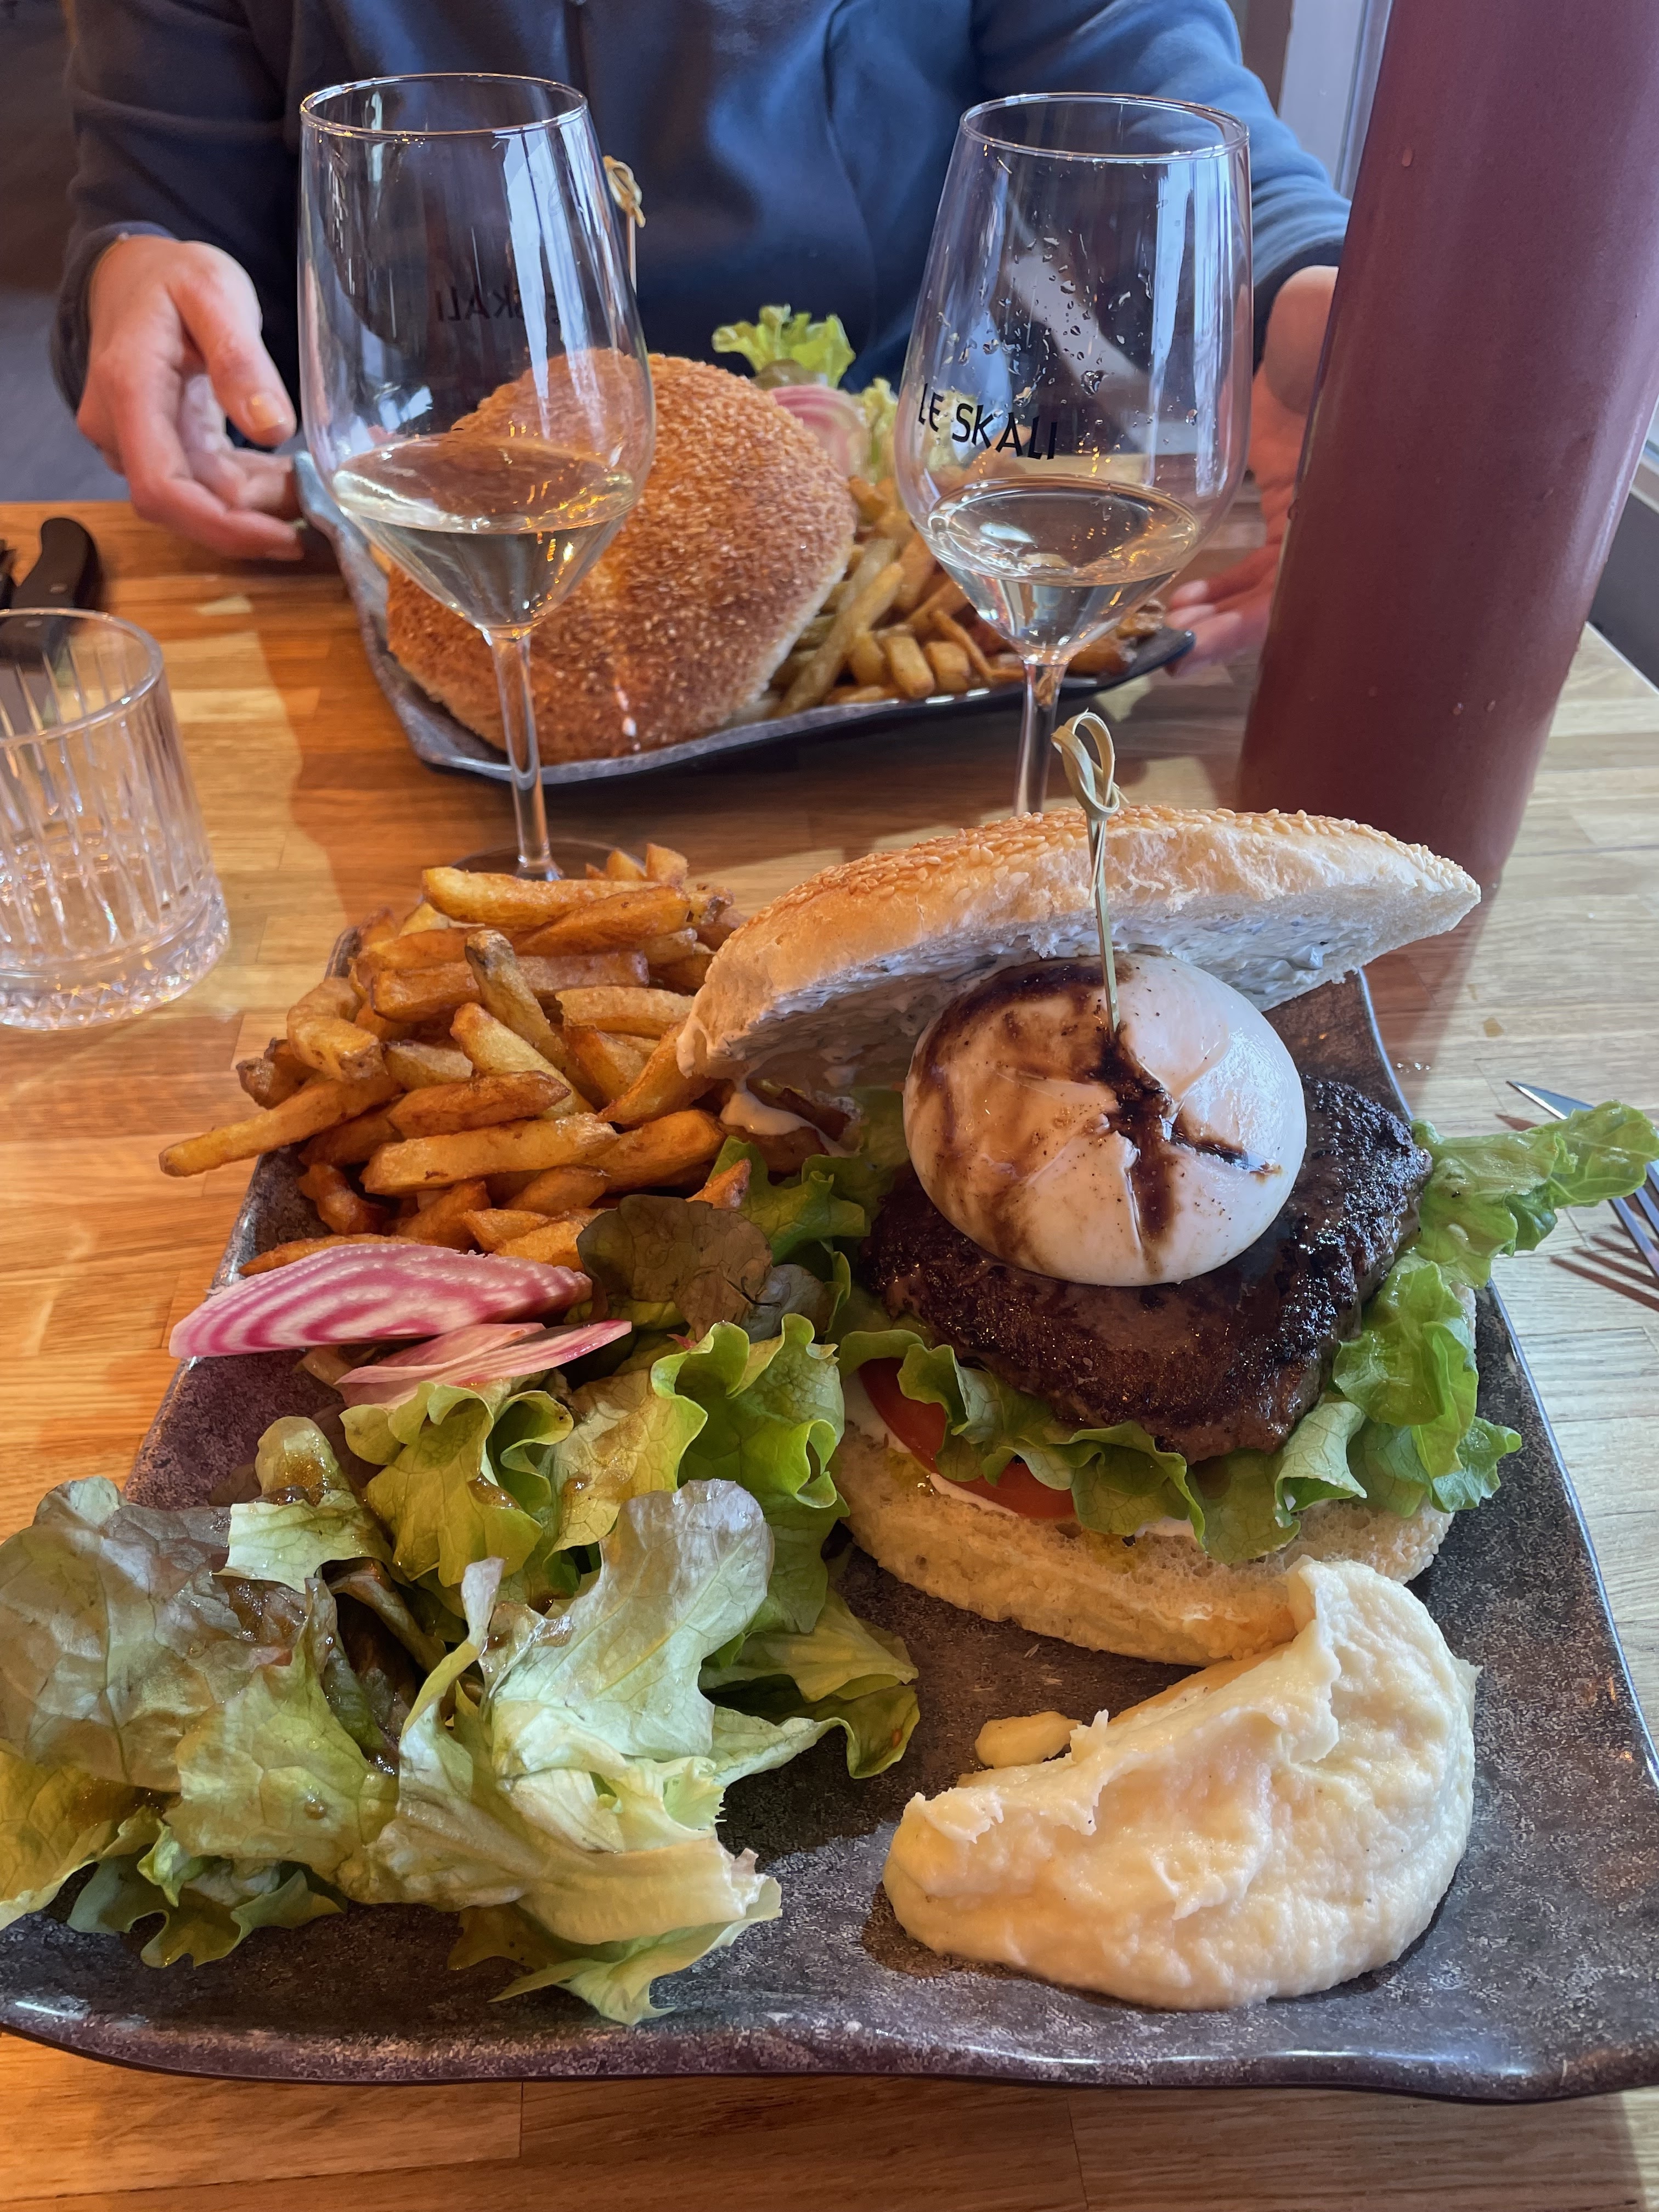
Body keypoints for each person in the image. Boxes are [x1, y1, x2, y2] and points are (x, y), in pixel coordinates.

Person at [53, 0, 1346, 668]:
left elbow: (1142, 68)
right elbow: (157, 195)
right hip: (437, 533)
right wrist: (133, 272)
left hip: (921, 510)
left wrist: (1300, 275)